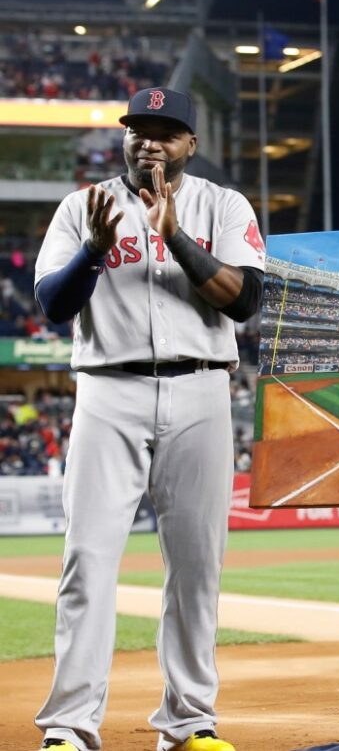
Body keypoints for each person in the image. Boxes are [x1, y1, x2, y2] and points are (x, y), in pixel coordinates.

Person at [32, 87, 265, 751]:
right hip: (108, 392)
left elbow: (245, 300)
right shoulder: (84, 207)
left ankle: (190, 725)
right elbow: (52, 303)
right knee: (88, 561)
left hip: (201, 392)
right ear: (125, 138)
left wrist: (174, 237)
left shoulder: (223, 206)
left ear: (191, 144)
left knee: (197, 568)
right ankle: (69, 728)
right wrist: (95, 251)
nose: (149, 142)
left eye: (166, 132)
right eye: (139, 129)